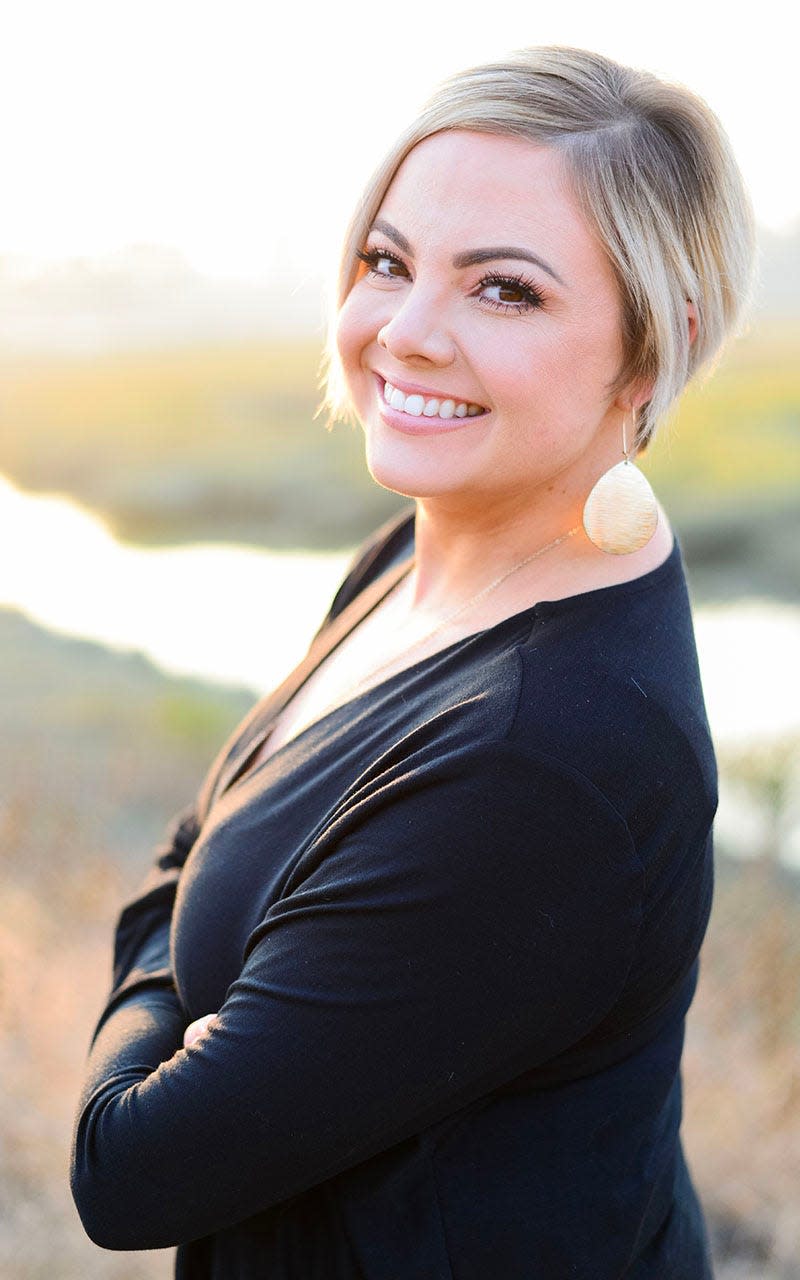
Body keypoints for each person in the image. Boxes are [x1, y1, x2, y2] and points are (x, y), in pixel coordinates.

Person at [70, 45, 755, 1278]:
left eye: (503, 291)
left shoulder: (545, 762)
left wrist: (168, 984)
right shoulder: (425, 548)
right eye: (388, 262)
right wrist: (192, 976)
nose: (407, 333)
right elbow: (195, 847)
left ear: (651, 349)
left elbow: (130, 1166)